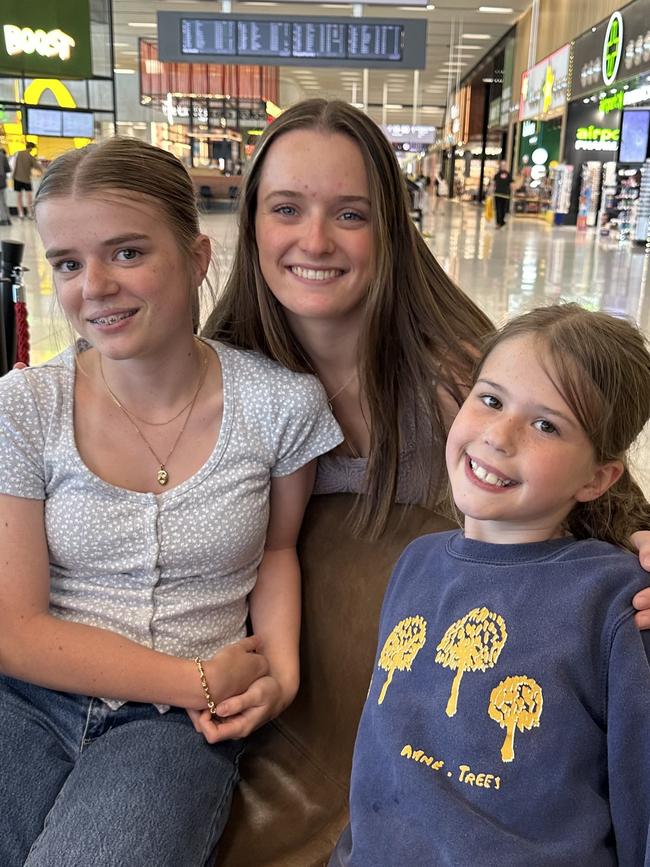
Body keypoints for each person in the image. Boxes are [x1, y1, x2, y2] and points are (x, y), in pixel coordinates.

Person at [0, 136, 343, 866]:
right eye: (67, 263)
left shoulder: (279, 406)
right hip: (28, 699)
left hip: (175, 729)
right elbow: (17, 629)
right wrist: (192, 678)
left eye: (127, 253)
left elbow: (277, 551)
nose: (93, 286)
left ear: (195, 259)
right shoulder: (26, 405)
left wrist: (280, 673)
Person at [204, 97, 650, 563]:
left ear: (391, 229)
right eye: (286, 209)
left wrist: (635, 538)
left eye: (351, 214)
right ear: (252, 221)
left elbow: (596, 486)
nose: (315, 243)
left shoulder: (459, 371)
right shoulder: (219, 379)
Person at [330, 304, 650, 865]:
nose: (500, 436)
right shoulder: (415, 561)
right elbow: (379, 758)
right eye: (492, 399)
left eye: (547, 425)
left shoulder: (616, 600)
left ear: (597, 478)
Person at [12, 141, 42, 220]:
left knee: (19, 197)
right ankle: (29, 213)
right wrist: (45, 171)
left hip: (17, 178)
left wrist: (12, 176)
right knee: (29, 197)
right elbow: (37, 167)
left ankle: (20, 213)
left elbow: (13, 165)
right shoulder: (30, 157)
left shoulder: (18, 153)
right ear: (31, 148)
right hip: (26, 180)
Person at [492, 159, 513, 228]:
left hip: (505, 195)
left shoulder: (508, 175)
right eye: (502, 165)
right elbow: (494, 184)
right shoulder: (497, 174)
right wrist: (490, 191)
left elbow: (511, 185)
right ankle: (498, 223)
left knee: (503, 209)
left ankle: (502, 221)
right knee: (498, 209)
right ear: (500, 166)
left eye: (504, 165)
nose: (503, 166)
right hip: (497, 194)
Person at [0, 147, 11, 225]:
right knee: (3, 201)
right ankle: (7, 219)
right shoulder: (3, 156)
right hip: (2, 181)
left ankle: (3, 219)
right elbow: (8, 169)